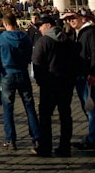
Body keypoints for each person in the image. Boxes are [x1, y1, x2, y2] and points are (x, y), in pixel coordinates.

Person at [0, 13, 41, 151]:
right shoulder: (25, 37)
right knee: (29, 106)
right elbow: (30, 55)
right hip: (23, 73)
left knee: (8, 108)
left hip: (7, 74)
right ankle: (37, 138)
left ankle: (11, 139)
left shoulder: (1, 38)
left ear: (5, 24)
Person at [31, 14, 76, 157]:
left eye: (41, 26)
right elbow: (75, 61)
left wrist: (40, 81)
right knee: (65, 115)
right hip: (66, 83)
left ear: (49, 26)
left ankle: (45, 146)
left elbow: (36, 63)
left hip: (49, 84)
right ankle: (65, 146)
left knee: (45, 116)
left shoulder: (43, 41)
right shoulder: (67, 40)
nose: (39, 29)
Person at [64, 12, 95, 150]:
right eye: (68, 20)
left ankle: (94, 138)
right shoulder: (76, 32)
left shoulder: (89, 32)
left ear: (82, 18)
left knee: (90, 107)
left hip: (87, 74)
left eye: (73, 18)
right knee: (86, 105)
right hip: (79, 73)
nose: (71, 21)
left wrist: (93, 73)